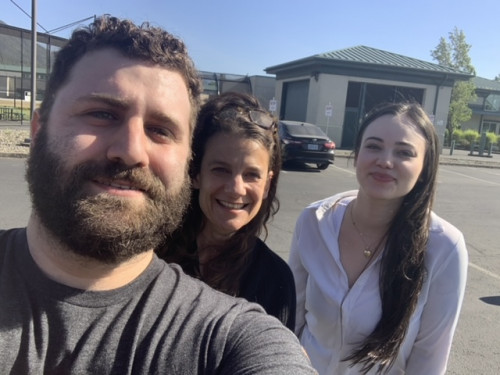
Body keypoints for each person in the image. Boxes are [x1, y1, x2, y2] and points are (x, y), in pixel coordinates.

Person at [0, 15, 317, 374]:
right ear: (38, 131)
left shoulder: (228, 333)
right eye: (102, 113)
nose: (132, 150)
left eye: (160, 130)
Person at [289, 102, 468, 374]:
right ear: (357, 153)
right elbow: (291, 321)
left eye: (404, 152)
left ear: (425, 167)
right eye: (373, 146)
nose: (385, 161)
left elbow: (429, 359)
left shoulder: (444, 247)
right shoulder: (314, 221)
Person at [158, 92, 296, 330]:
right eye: (221, 169)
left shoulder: (275, 280)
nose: (235, 189)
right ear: (196, 174)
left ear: (267, 185)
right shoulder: (151, 251)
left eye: (252, 175)